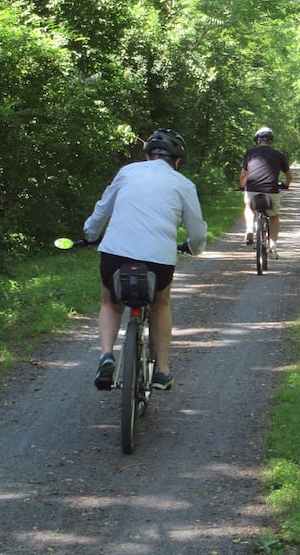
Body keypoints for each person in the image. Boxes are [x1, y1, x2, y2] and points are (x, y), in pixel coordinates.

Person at [83, 128, 207, 391]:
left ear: (149, 155)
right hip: (158, 260)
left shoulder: (127, 172)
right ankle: (162, 371)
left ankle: (106, 355)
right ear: (177, 160)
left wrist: (90, 234)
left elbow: (102, 208)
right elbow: (197, 230)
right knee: (161, 305)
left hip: (114, 254)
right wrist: (194, 248)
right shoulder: (183, 183)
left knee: (110, 304)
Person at [239, 127, 292, 258]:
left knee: (249, 207)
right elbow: (289, 176)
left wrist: (242, 186)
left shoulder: (250, 153)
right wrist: (285, 185)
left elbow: (244, 174)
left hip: (252, 189)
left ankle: (249, 229)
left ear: (257, 140)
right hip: (271, 190)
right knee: (273, 216)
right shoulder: (278, 154)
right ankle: (272, 246)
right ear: (270, 141)